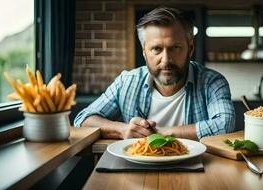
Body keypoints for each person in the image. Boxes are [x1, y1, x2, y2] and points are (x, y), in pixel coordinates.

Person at [74, 7, 235, 140]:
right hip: (135, 169)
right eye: (157, 49)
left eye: (175, 48)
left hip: (197, 171)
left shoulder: (212, 82)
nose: (166, 60)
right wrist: (122, 130)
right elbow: (83, 119)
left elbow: (225, 124)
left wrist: (160, 134)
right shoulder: (127, 81)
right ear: (144, 52)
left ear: (190, 48)